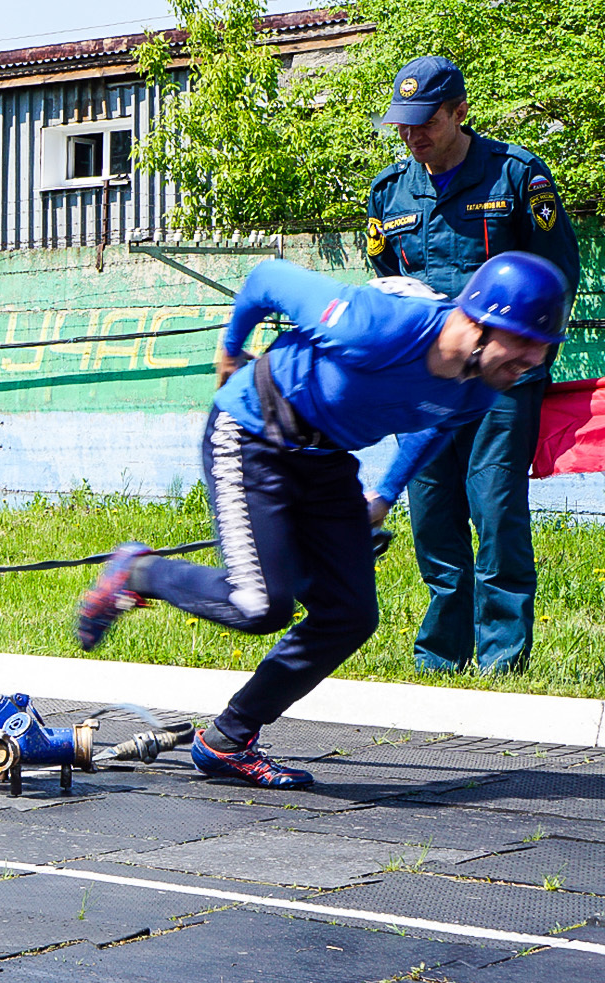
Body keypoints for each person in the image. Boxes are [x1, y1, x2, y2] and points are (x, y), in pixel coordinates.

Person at [75, 253, 567, 788]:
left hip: (326, 459)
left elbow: (437, 424)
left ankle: (226, 740)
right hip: (252, 434)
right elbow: (265, 279)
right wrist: (231, 348)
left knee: (349, 614)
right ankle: (136, 571)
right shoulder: (374, 324)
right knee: (258, 604)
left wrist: (382, 495)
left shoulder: (482, 386)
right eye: (522, 343)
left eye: (540, 349)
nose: (532, 360)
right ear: (480, 320)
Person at [367, 56, 580, 673]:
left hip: (500, 382)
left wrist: (525, 356)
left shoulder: (515, 176)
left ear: (460, 112)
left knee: (494, 508)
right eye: (404, 126)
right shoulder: (389, 192)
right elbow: (391, 283)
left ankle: (502, 659)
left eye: (426, 123)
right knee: (432, 514)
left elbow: (557, 272)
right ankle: (441, 657)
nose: (413, 137)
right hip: (427, 379)